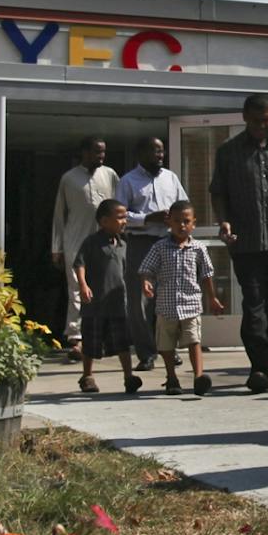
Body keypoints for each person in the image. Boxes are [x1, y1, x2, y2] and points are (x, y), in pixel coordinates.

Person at [210, 95, 268, 393]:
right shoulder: (228, 152)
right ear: (245, 118)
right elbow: (219, 192)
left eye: (266, 121)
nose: (261, 126)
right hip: (246, 242)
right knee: (254, 305)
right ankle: (258, 367)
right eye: (255, 121)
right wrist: (223, 221)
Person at [116, 136, 189, 369]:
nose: (160, 155)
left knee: (169, 299)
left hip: (169, 243)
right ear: (140, 154)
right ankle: (146, 353)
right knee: (139, 301)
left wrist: (177, 220)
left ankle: (169, 349)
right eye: (154, 151)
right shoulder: (128, 181)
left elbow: (184, 206)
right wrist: (147, 218)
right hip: (141, 244)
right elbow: (120, 216)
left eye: (161, 151)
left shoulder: (171, 178)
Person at [139, 200, 223, 397]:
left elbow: (207, 274)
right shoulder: (160, 247)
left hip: (191, 304)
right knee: (166, 345)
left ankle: (199, 377)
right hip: (166, 306)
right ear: (169, 222)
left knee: (194, 340)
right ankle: (171, 377)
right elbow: (146, 268)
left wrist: (212, 298)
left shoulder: (198, 248)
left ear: (194, 223)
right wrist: (146, 282)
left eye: (186, 221)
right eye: (177, 221)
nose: (182, 225)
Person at [51, 135, 119, 358]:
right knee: (78, 290)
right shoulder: (69, 179)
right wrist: (57, 247)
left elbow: (119, 210)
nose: (101, 156)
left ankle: (105, 338)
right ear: (84, 152)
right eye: (96, 152)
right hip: (75, 241)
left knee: (106, 288)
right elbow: (59, 215)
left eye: (103, 152)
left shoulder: (109, 175)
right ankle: (76, 339)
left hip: (104, 242)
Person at [73, 199, 140, 396]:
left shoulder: (123, 243)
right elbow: (79, 264)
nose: (124, 221)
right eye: (119, 218)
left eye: (125, 217)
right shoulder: (92, 242)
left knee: (122, 341)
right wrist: (83, 285)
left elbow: (128, 270)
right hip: (95, 304)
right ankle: (87, 376)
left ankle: (129, 377)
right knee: (91, 341)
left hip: (117, 303)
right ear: (104, 221)